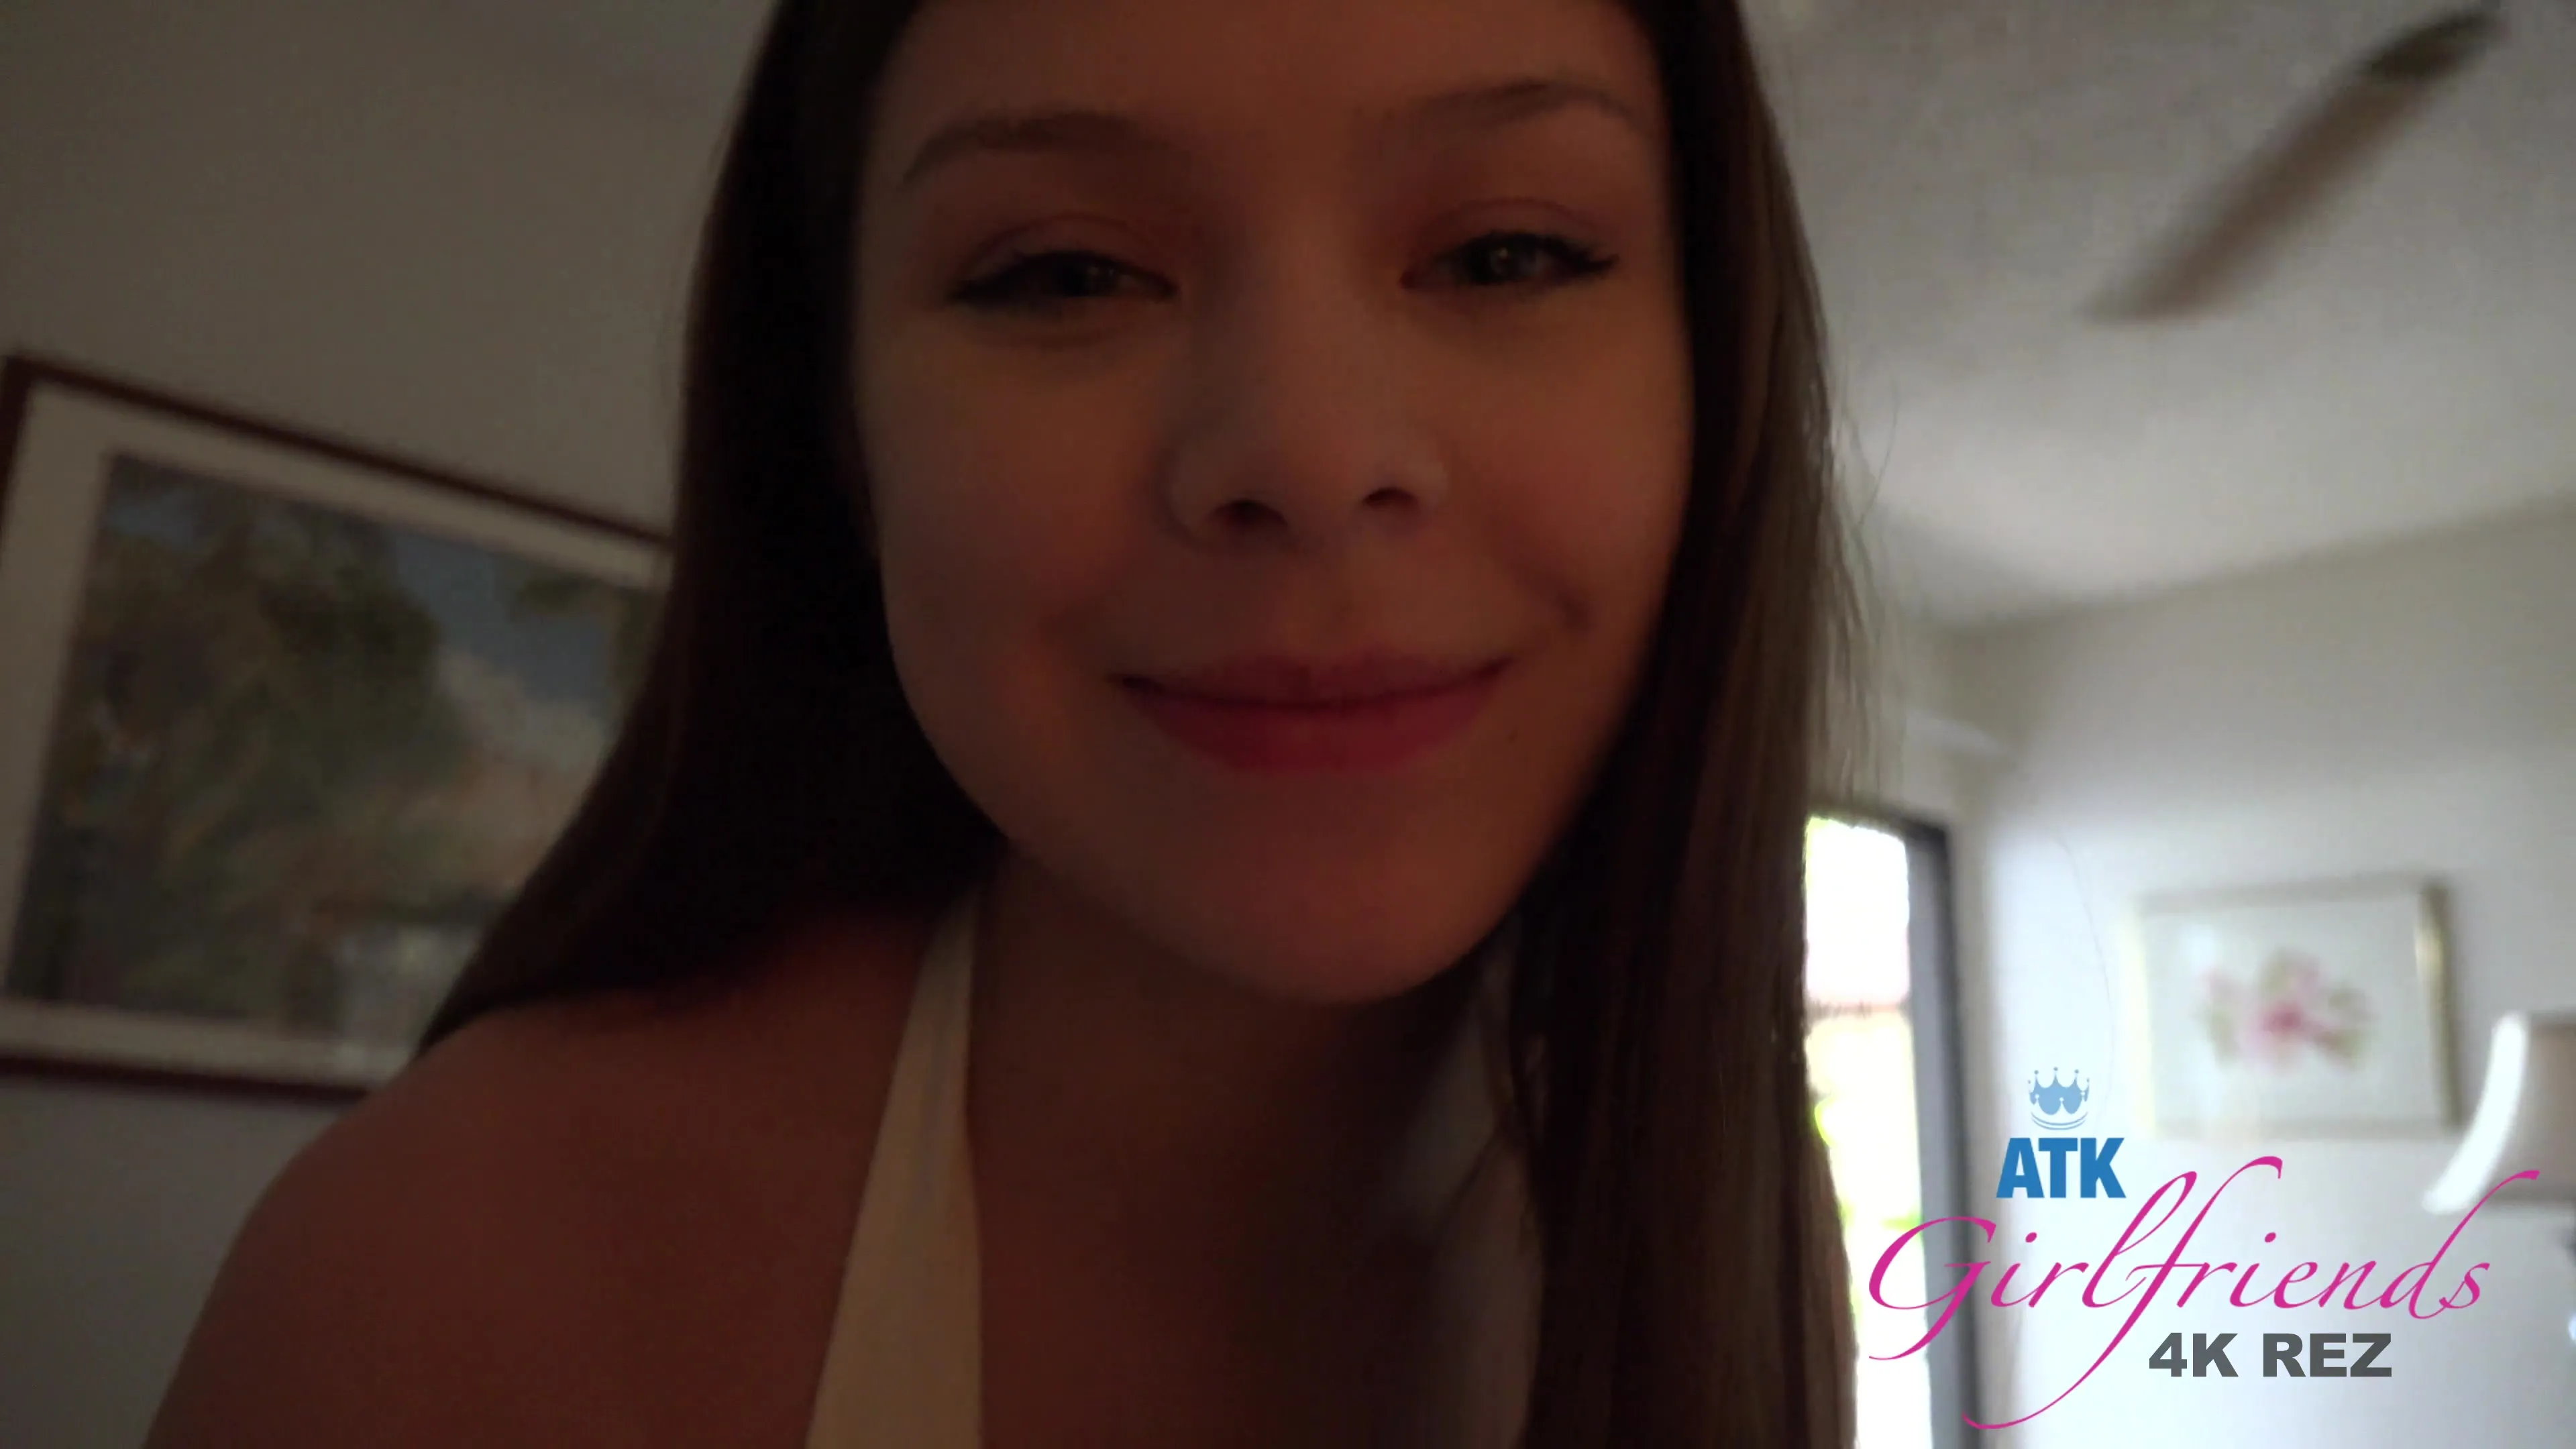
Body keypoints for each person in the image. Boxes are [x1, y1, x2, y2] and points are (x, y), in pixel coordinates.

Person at [149, 0, 1866, 1442]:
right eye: (1063, 275)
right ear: (842, 433)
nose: (1308, 452)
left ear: (1714, 368)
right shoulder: (464, 1271)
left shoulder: (1738, 1221)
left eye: (1509, 252)